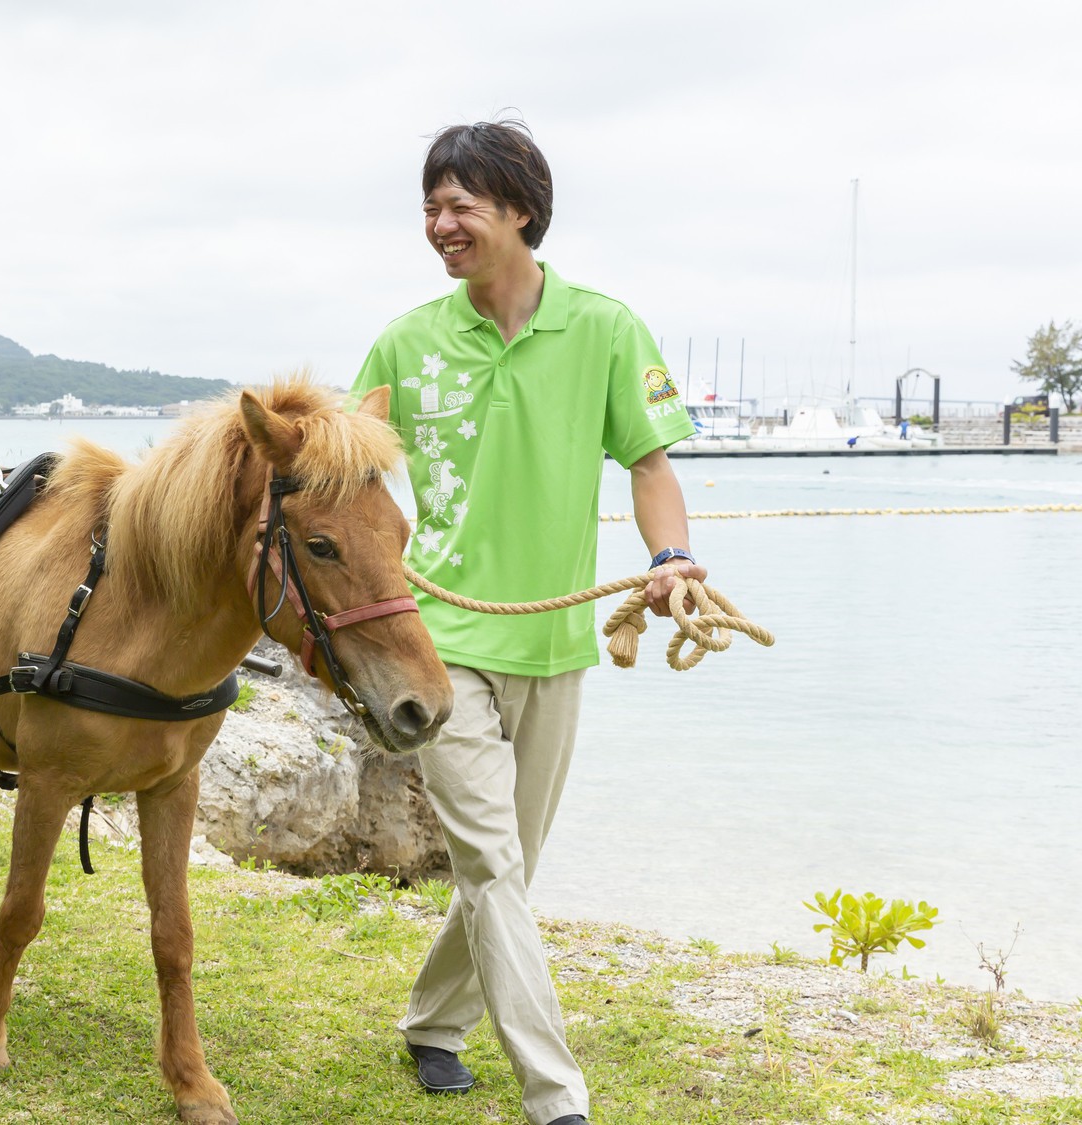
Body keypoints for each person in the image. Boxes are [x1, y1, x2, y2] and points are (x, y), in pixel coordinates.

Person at [351, 120, 704, 1125]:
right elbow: (341, 472)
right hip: (438, 644)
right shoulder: (404, 340)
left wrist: (668, 559)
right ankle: (556, 1095)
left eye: (459, 204)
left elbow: (647, 462)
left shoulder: (602, 328)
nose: (439, 224)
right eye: (429, 206)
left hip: (553, 647)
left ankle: (429, 1022)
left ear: (520, 209)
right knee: (492, 864)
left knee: (505, 866)